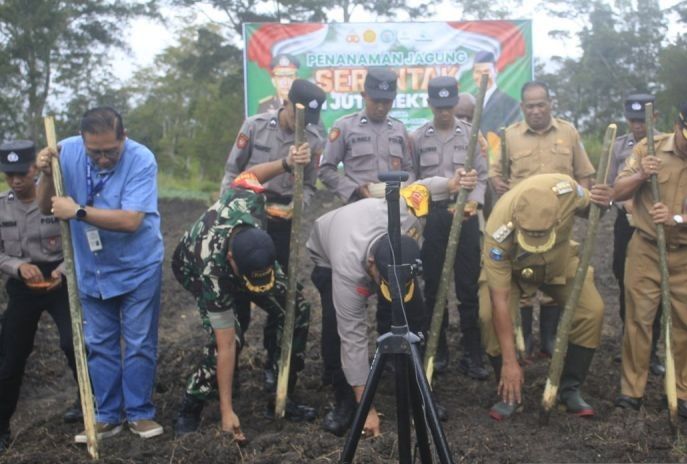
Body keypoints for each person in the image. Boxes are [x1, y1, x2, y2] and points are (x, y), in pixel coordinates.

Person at [307, 171, 477, 436]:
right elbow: (353, 337)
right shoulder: (347, 265)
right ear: (373, 267)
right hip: (328, 249)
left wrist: (452, 184)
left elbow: (424, 187)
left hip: (375, 234)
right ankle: (347, 401)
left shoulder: (405, 212)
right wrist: (368, 410)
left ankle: (417, 391)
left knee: (415, 317)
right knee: (336, 329)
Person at [37, 107, 164, 442]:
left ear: (123, 137)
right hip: (92, 268)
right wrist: (48, 173)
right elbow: (42, 206)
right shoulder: (64, 151)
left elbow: (131, 220)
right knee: (99, 343)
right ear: (83, 141)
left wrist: (77, 211)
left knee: (138, 342)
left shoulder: (141, 159)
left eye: (111, 151)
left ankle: (139, 413)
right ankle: (108, 416)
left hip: (138, 265)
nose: (104, 159)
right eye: (96, 152)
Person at [172, 173, 314, 443]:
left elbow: (251, 173)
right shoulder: (212, 268)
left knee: (295, 309)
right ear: (230, 259)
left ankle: (281, 385)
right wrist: (228, 412)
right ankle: (192, 404)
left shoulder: (252, 201)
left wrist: (285, 163)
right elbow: (225, 344)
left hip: (247, 259)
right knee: (229, 339)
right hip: (191, 267)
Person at [613, 96, 687, 418]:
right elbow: (616, 192)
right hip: (647, 250)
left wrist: (676, 219)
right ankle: (632, 392)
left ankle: (680, 393)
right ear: (678, 126)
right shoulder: (648, 149)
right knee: (638, 321)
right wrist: (640, 176)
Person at [220, 79, 331, 393]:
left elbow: (309, 186)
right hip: (246, 217)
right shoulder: (254, 126)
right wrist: (228, 212)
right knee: (238, 292)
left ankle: (273, 364)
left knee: (278, 292)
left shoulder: (314, 139)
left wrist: (298, 206)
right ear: (286, 103)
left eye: (309, 120)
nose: (302, 125)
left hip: (283, 222)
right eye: (298, 117)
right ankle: (232, 367)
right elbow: (232, 171)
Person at [481, 174, 611, 418]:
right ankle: (509, 391)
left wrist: (604, 203)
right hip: (514, 270)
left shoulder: (568, 191)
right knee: (488, 315)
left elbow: (594, 210)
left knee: (592, 311)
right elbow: (499, 299)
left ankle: (569, 390)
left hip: (559, 262)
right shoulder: (497, 229)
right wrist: (510, 362)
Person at [489, 81, 596, 361]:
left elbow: (584, 174)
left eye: (541, 104)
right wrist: (500, 186)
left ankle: (549, 340)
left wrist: (581, 200)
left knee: (555, 284)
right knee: (521, 287)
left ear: (550, 103)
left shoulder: (568, 133)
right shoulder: (509, 136)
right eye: (530, 106)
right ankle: (522, 341)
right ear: (522, 108)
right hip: (522, 229)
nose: (536, 111)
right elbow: (495, 174)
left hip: (558, 228)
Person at [0, 141, 80, 452]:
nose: (16, 181)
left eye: (21, 174)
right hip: (23, 286)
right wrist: (18, 267)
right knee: (11, 357)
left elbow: (76, 244)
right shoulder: (2, 205)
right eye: (9, 176)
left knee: (74, 344)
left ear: (35, 169)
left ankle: (89, 405)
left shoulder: (57, 200)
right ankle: (3, 425)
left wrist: (62, 270)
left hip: (60, 283)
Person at [411, 76, 488, 379]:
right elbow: (413, 184)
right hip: (433, 220)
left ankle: (473, 353)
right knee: (433, 287)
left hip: (465, 217)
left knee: (468, 288)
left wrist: (474, 203)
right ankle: (438, 349)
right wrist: (422, 216)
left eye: (448, 106)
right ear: (430, 104)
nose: (444, 112)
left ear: (456, 104)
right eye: (438, 106)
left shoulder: (472, 136)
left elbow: (481, 177)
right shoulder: (417, 138)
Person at [609, 94, 664, 376]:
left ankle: (651, 350)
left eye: (642, 120)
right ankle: (629, 345)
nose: (637, 126)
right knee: (625, 284)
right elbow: (610, 186)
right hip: (626, 224)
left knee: (656, 288)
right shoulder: (619, 147)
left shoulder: (666, 146)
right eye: (632, 120)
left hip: (655, 225)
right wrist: (624, 202)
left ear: (654, 118)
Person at [319, 67, 415, 203]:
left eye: (386, 102)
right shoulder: (345, 126)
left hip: (395, 206)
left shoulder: (399, 129)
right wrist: (354, 189)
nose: (381, 107)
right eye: (375, 101)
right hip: (358, 206)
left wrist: (405, 188)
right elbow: (326, 170)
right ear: (364, 95)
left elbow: (409, 170)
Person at [471, 51, 522, 136]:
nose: (482, 76)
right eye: (478, 72)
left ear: (495, 71)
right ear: (473, 75)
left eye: (486, 71)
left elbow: (515, 136)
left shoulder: (510, 104)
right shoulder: (470, 102)